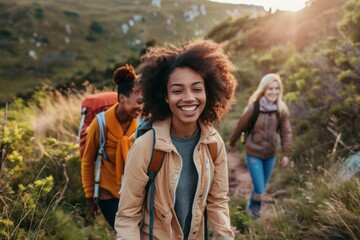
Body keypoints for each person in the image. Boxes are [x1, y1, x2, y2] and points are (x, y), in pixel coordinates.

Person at [115, 39, 237, 239]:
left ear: (209, 92)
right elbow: (128, 216)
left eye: (197, 89)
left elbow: (218, 201)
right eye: (177, 90)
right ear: (164, 96)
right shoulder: (146, 147)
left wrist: (225, 235)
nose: (189, 98)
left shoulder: (214, 144)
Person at [81, 64, 143, 229]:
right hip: (107, 195)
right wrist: (89, 196)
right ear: (122, 98)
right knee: (127, 233)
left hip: (134, 194)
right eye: (139, 102)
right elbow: (87, 162)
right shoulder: (100, 124)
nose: (141, 107)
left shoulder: (141, 125)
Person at [228, 73, 292, 220]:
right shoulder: (254, 108)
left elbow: (286, 133)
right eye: (270, 89)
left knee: (260, 186)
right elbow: (240, 126)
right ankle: (255, 213)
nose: (274, 92)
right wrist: (232, 142)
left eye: (276, 89)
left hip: (271, 155)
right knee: (260, 188)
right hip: (253, 154)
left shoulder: (281, 109)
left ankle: (251, 207)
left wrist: (286, 153)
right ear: (263, 90)